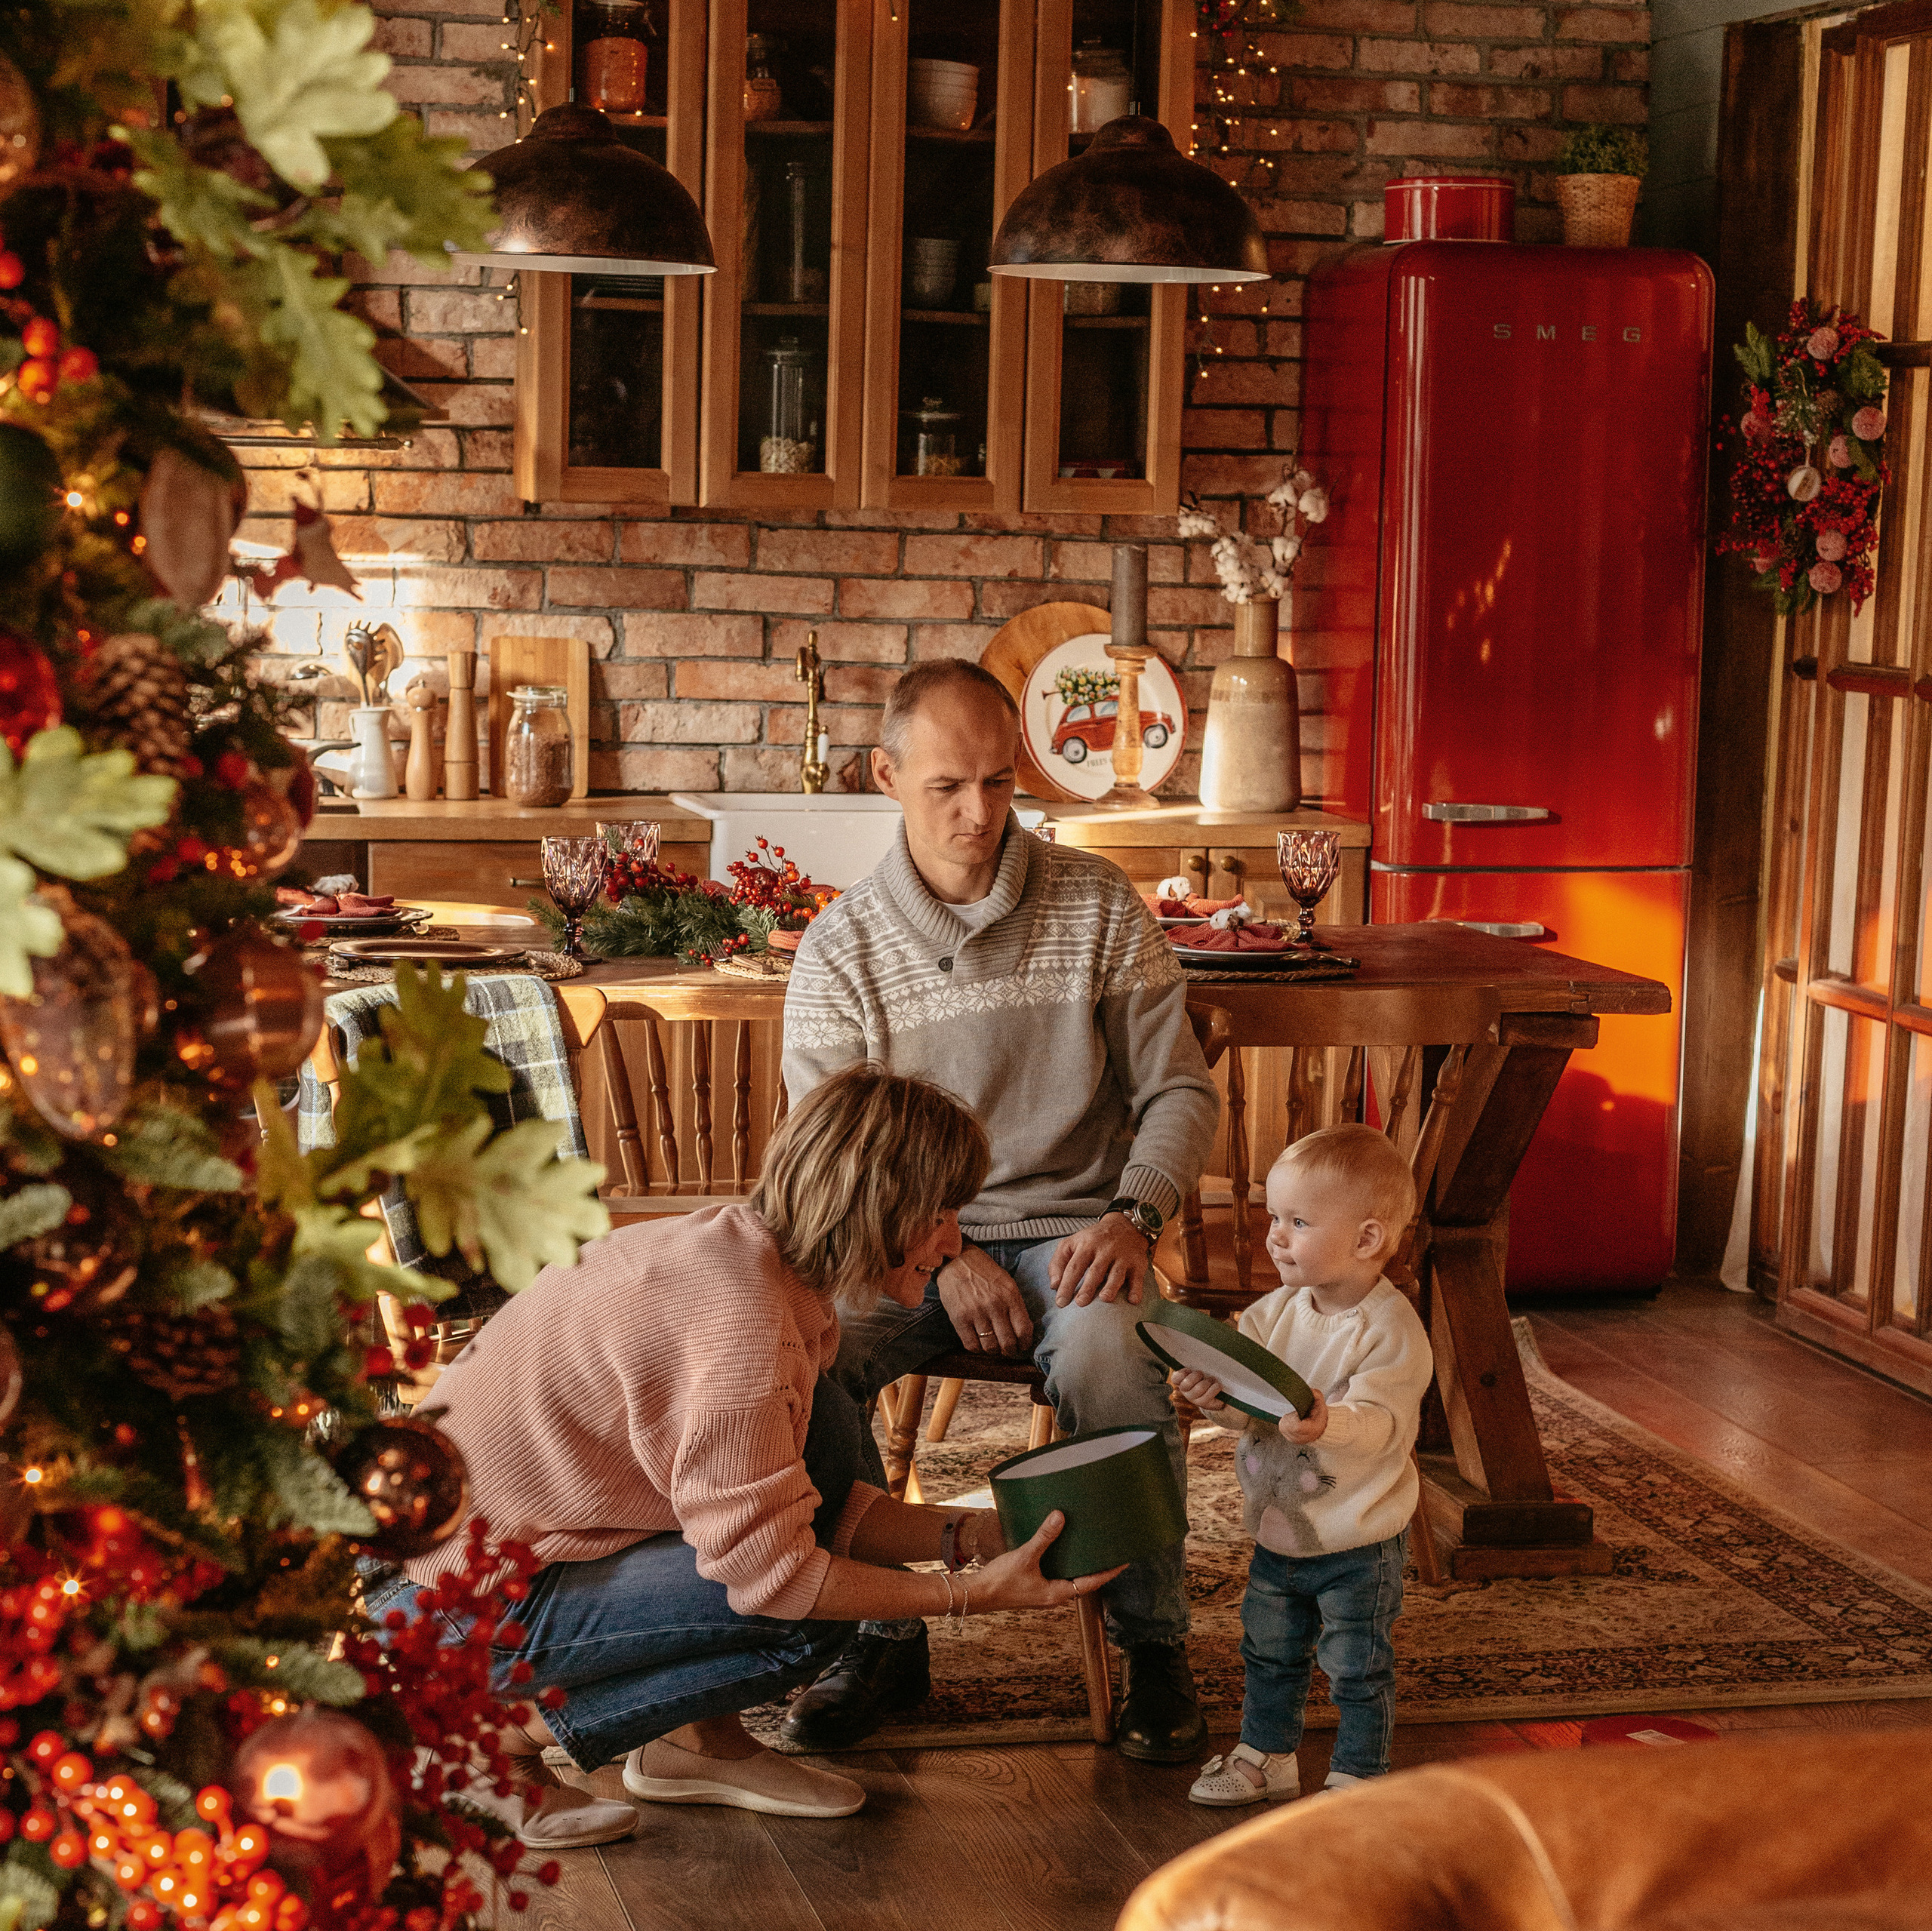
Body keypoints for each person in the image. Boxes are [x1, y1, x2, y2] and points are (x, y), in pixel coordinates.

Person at [373, 1063, 1119, 1847]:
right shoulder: (743, 1332)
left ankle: (694, 1748)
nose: (952, 1239)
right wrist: (969, 1596)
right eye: (940, 1214)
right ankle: (479, 1744)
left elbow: (813, 1502)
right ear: (879, 1207)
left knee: (825, 1441)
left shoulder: (752, 1257)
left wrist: (976, 1540)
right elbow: (776, 1577)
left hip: (491, 1560)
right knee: (804, 1623)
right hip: (449, 1612)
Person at [780, 658, 1221, 1763]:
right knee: (803, 1351)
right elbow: (840, 1163)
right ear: (886, 776)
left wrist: (1136, 1217)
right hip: (911, 1249)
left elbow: (1180, 1089)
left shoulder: (1099, 904)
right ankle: (883, 1631)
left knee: (1114, 1350)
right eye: (947, 788)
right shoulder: (840, 950)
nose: (979, 814)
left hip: (1086, 1232)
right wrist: (942, 1255)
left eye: (997, 782)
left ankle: (1154, 1647)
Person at [1170, 1124, 1432, 1806]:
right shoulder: (1270, 1316)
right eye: (1273, 1218)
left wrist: (1327, 1423)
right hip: (1279, 1532)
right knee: (1268, 1653)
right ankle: (1268, 1755)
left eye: (1298, 1221)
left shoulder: (1390, 1329)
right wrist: (1213, 1399)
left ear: (1367, 1239)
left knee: (1356, 1665)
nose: (1275, 1236)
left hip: (1357, 1539)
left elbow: (1382, 1426)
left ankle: (1358, 1776)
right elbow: (1248, 1410)